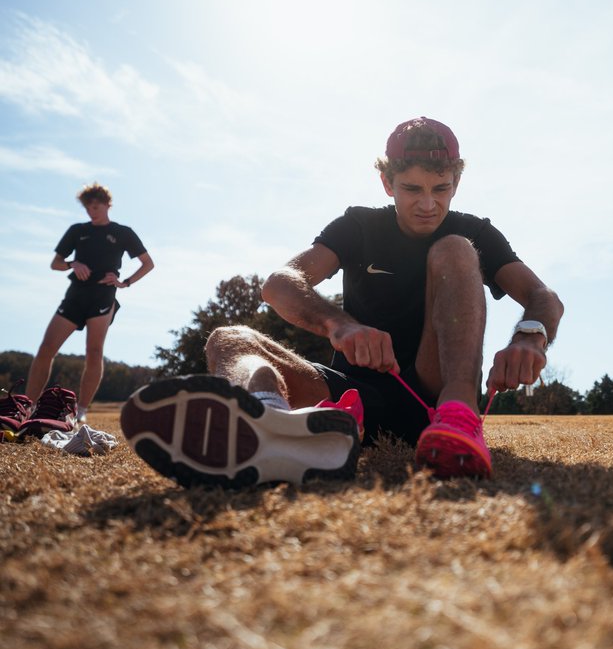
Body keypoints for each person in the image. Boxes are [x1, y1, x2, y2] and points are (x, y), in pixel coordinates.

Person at [121, 118, 563, 488]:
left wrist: (531, 336)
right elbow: (280, 284)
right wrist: (341, 325)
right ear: (386, 181)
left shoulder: (474, 230)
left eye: (441, 189)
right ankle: (270, 421)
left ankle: (459, 415)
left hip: (432, 394)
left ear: (457, 182)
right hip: (352, 402)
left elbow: (543, 297)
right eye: (412, 189)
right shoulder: (359, 225)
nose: (428, 204)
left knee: (455, 248)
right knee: (229, 339)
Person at [25, 183, 154, 430]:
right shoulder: (77, 230)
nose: (91, 212)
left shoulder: (123, 232)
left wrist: (125, 282)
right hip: (75, 295)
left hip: (103, 296)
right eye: (87, 207)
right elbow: (56, 263)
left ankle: (81, 412)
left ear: (107, 205)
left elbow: (147, 263)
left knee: (94, 352)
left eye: (95, 206)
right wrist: (73, 264)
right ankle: (28, 406)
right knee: (46, 347)